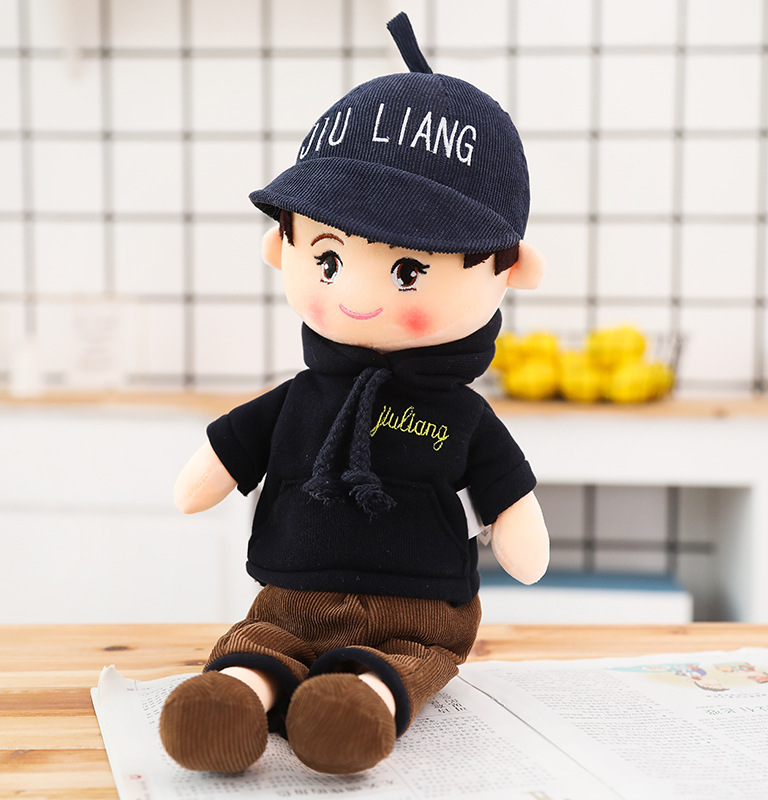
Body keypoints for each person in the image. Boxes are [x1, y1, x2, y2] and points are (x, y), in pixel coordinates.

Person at [158, 12, 550, 776]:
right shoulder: (300, 397)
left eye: (408, 271)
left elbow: (509, 499)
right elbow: (222, 458)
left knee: (402, 660)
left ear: (508, 268)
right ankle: (239, 692)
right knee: (262, 640)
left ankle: (364, 698)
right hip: (293, 595)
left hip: (420, 610)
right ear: (283, 248)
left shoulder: (461, 416)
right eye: (329, 260)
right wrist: (212, 467)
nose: (357, 296)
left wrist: (514, 522)